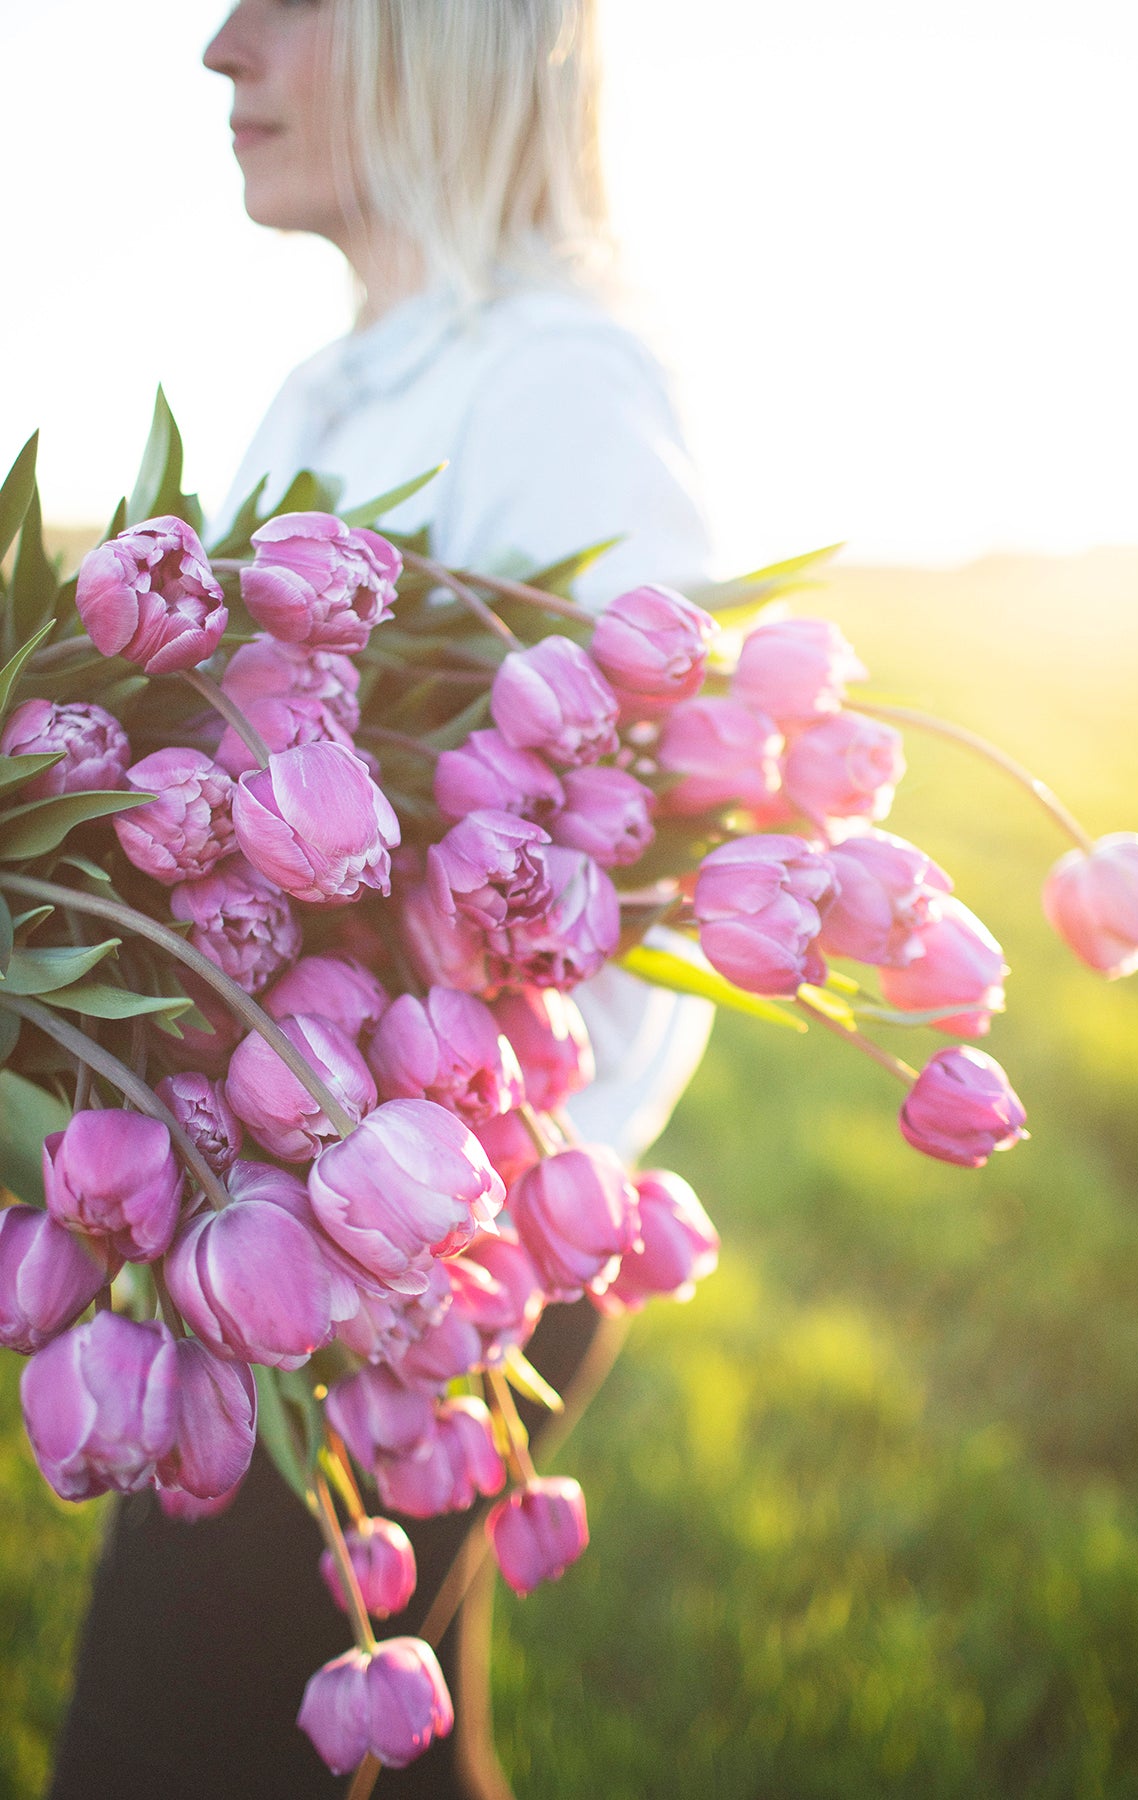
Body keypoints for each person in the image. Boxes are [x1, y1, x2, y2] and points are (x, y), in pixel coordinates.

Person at [50, 3, 713, 1794]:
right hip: (297, 1211)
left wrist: (433, 1229)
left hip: (424, 1256)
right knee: (378, 1752)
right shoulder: (333, 384)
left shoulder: (559, 380)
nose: (221, 45)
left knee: (168, 1747)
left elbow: (628, 880)